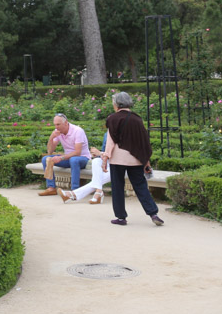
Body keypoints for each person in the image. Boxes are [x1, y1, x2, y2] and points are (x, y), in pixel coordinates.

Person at [104, 92, 164, 226]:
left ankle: (121, 217)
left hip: (118, 158)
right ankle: (153, 213)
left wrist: (105, 157)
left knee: (118, 187)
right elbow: (143, 141)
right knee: (141, 186)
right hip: (135, 158)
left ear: (117, 104)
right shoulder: (137, 119)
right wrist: (145, 160)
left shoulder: (112, 118)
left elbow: (110, 141)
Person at [38, 113, 90, 196]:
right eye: (55, 125)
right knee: (46, 159)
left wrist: (61, 158)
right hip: (68, 158)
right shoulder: (57, 132)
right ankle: (51, 188)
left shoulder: (77, 131)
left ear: (66, 123)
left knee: (74, 160)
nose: (56, 127)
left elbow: (78, 152)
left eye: (58, 124)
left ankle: (75, 190)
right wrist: (51, 137)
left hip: (82, 158)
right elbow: (50, 151)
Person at [60, 132, 109, 204]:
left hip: (121, 166)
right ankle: (98, 192)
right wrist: (98, 154)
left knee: (97, 180)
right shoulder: (107, 133)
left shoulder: (126, 133)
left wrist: (100, 153)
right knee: (96, 161)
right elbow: (106, 153)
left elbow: (122, 157)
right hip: (108, 163)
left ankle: (73, 194)